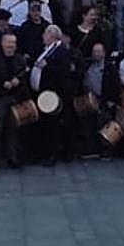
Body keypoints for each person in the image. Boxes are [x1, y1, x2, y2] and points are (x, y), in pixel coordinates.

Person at [29, 25, 70, 165]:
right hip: (41, 93)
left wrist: (47, 67)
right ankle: (41, 153)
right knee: (43, 124)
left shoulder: (60, 51)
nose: (43, 37)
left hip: (52, 94)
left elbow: (64, 71)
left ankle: (52, 154)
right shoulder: (47, 50)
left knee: (51, 125)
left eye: (45, 34)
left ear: (52, 36)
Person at [0, 32, 27, 170]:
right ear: (2, 43)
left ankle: (12, 158)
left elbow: (24, 76)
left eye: (13, 43)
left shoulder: (19, 59)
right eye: (8, 42)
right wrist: (1, 84)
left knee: (13, 129)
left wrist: (18, 81)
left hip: (14, 97)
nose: (11, 45)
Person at [79, 42, 119, 158]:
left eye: (98, 51)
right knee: (89, 125)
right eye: (94, 51)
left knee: (104, 126)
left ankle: (106, 151)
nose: (96, 54)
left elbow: (115, 84)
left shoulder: (109, 67)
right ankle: (92, 149)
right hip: (89, 100)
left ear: (104, 53)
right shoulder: (88, 64)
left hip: (105, 100)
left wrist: (112, 100)